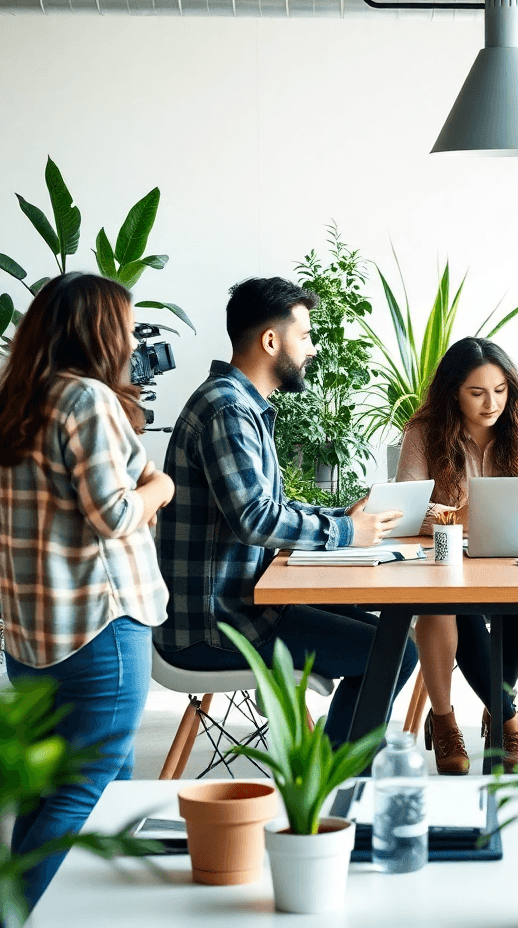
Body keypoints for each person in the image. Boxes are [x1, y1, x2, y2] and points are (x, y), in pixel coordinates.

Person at [153, 277, 417, 746]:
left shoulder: (240, 405)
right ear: (271, 341)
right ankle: (333, 782)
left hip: (242, 606)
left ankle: (333, 774)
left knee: (394, 643)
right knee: (392, 651)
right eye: (306, 335)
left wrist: (344, 516)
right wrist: (344, 533)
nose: (312, 349)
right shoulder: (226, 411)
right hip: (217, 626)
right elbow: (255, 519)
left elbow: (266, 506)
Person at [0, 273, 175, 908]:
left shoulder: (13, 397)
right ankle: (17, 922)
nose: (131, 341)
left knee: (54, 789)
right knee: (89, 785)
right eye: (125, 327)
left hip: (30, 633)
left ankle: (71, 920)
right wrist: (161, 487)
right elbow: (115, 514)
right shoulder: (86, 401)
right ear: (97, 330)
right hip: (101, 626)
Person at [396, 336, 518, 774]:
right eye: (477, 393)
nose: (491, 403)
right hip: (447, 564)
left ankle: (499, 710)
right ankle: (473, 718)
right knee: (443, 608)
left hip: (510, 563)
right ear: (453, 391)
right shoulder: (423, 432)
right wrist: (455, 515)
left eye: (500, 391)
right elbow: (403, 508)